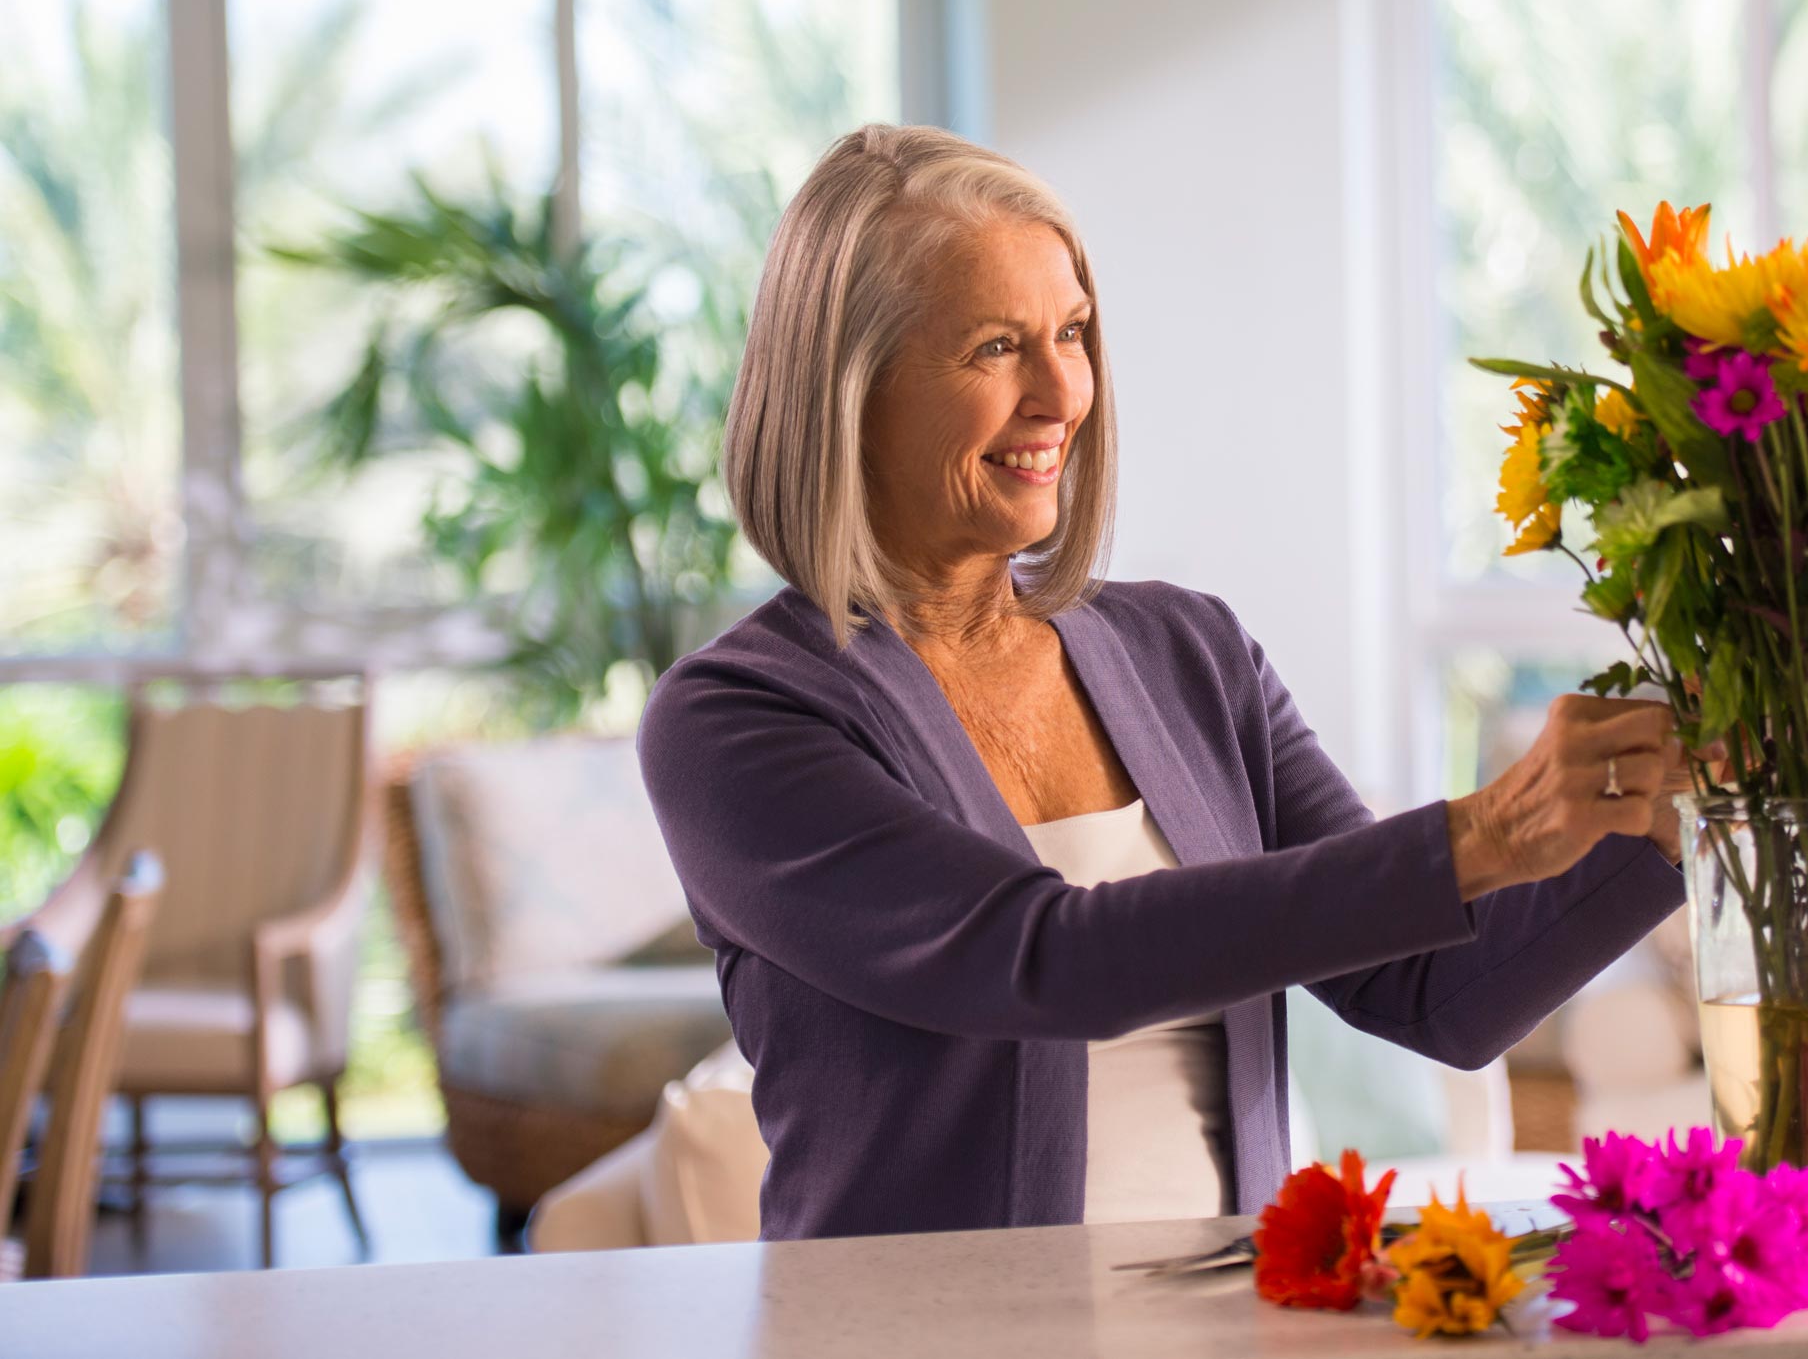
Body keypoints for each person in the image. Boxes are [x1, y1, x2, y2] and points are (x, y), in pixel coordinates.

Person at [636, 123, 1695, 1243]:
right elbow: (1044, 962)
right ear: (850, 391)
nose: (1062, 394)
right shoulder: (733, 723)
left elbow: (1430, 990)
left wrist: (1658, 822)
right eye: (995, 347)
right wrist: (1479, 833)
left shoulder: (1189, 652)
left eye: (1074, 334)